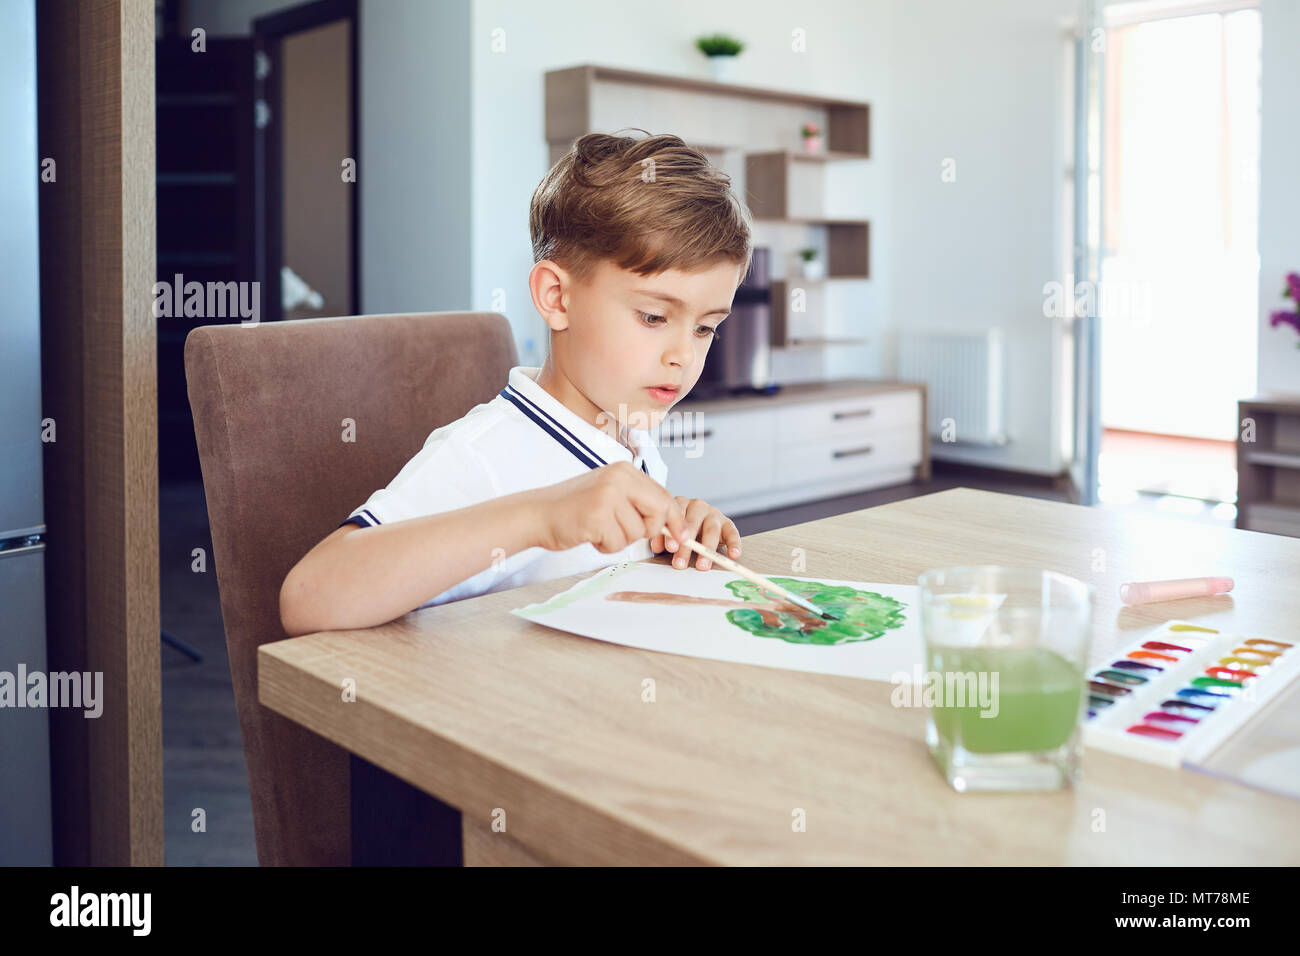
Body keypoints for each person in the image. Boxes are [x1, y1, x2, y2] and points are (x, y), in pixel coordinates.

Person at [279, 130, 753, 636]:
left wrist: (669, 525)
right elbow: (309, 599)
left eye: (705, 328)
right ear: (556, 297)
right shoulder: (485, 455)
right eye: (654, 317)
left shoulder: (630, 433)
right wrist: (541, 517)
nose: (683, 355)